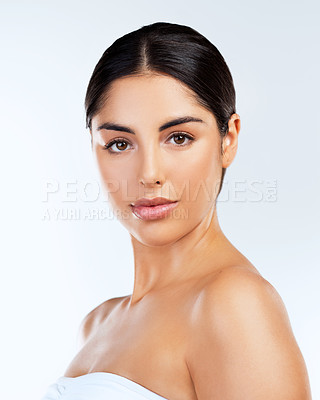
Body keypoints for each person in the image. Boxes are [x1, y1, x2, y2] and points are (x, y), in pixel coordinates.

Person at [41, 22, 312, 400]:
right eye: (120, 144)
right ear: (93, 146)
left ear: (227, 140)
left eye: (179, 138)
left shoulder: (232, 305)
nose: (149, 174)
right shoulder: (96, 324)